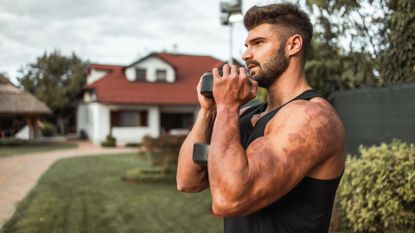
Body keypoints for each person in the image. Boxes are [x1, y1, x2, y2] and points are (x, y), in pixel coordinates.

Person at [177, 2, 345, 233]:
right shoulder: (246, 114)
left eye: (258, 43)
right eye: (246, 45)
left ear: (293, 45)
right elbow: (187, 181)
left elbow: (229, 199)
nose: (246, 54)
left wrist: (227, 106)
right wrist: (210, 111)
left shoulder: (313, 117)